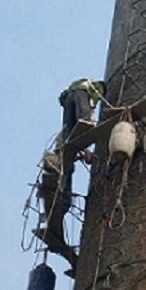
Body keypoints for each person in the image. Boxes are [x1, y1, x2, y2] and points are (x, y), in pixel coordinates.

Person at [57, 78, 106, 211]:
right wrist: (86, 151)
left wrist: (83, 152)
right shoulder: (95, 88)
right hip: (79, 93)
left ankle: (63, 199)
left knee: (70, 131)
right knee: (83, 121)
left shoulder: (77, 87)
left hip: (69, 97)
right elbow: (93, 100)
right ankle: (63, 199)